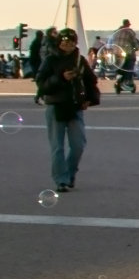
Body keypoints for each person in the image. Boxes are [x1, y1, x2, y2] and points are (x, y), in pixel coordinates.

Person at [35, 28, 99, 193]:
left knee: (78, 145)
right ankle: (61, 180)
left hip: (75, 106)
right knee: (57, 147)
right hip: (56, 106)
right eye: (64, 41)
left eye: (71, 41)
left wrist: (90, 100)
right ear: (59, 42)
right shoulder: (50, 60)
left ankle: (70, 174)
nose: (67, 44)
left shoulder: (80, 60)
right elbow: (41, 84)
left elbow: (91, 81)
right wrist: (61, 78)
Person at [110, 19, 139, 94]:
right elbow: (134, 43)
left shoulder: (116, 32)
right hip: (127, 54)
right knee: (129, 68)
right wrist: (137, 48)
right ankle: (127, 81)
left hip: (116, 54)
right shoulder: (130, 32)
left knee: (120, 69)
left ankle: (120, 80)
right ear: (128, 24)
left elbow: (112, 42)